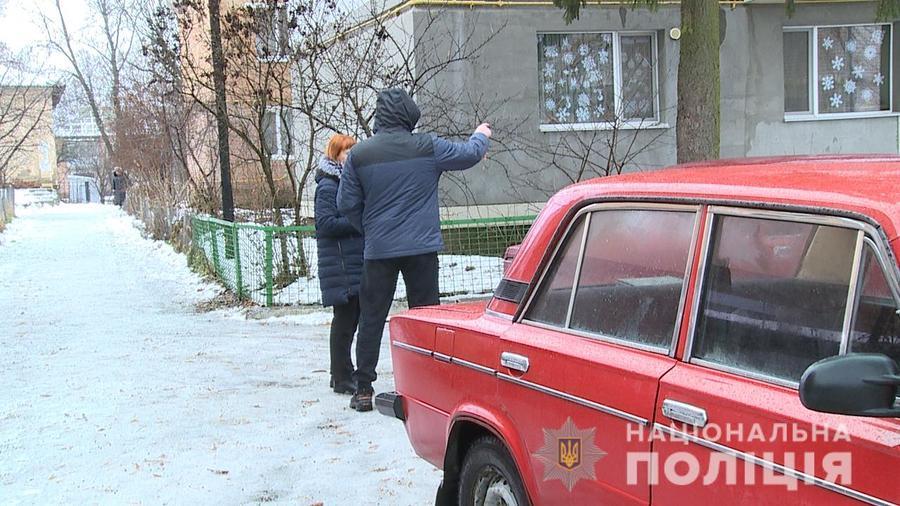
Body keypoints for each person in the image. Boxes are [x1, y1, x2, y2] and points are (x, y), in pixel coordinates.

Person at [338, 88, 491, 412]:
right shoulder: (427, 147)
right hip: (421, 249)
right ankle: (429, 385)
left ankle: (364, 388)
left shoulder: (360, 154)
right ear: (409, 116)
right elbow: (469, 154)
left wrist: (370, 229)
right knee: (427, 317)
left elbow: (346, 203)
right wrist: (481, 134)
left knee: (371, 318)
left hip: (379, 250)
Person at [314, 134, 364, 395]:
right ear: (335, 155)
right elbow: (325, 223)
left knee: (350, 320)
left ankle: (342, 372)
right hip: (341, 265)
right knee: (344, 322)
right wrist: (359, 221)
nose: (350, 156)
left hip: (350, 262)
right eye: (346, 152)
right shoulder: (328, 185)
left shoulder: (346, 182)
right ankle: (342, 376)